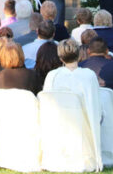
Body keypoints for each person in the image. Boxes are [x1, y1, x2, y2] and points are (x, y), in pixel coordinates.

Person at [43, 39, 102, 167]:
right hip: (82, 126)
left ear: (60, 57)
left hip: (58, 124)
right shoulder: (89, 75)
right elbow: (95, 105)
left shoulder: (52, 76)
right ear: (79, 54)